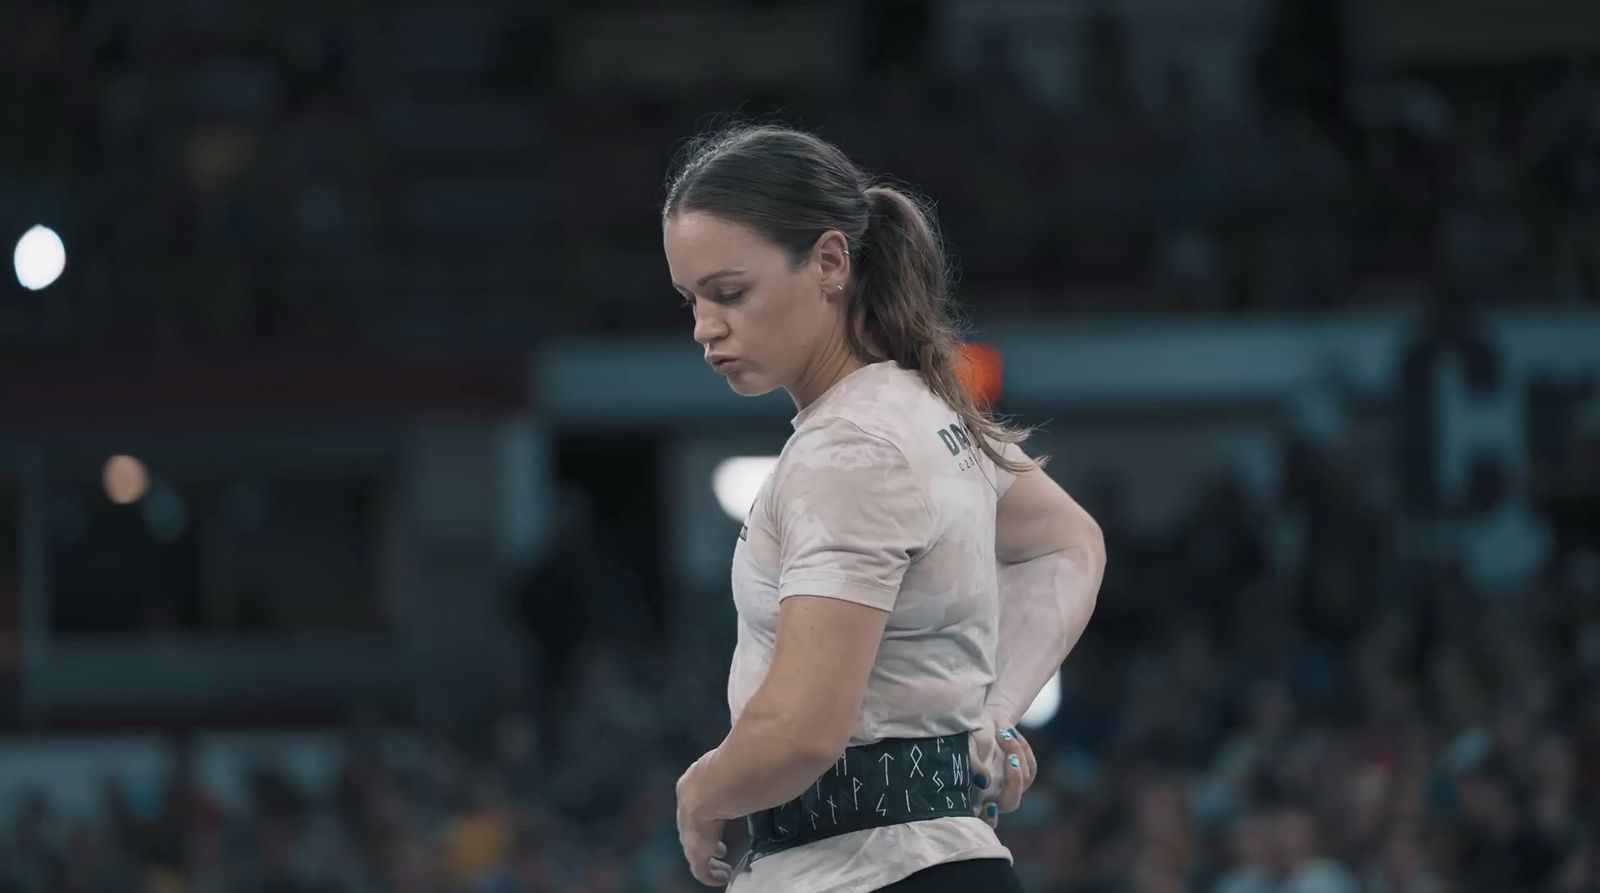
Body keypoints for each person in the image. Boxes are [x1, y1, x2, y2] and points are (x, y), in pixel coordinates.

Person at [663, 124, 1106, 892]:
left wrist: (700, 790)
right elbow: (1068, 543)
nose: (705, 327)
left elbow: (801, 728)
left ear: (830, 262)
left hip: (860, 871)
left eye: (730, 292)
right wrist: (995, 712)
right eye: (691, 299)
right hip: (938, 861)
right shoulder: (927, 410)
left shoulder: (850, 450)